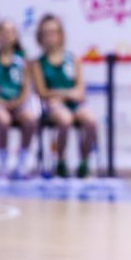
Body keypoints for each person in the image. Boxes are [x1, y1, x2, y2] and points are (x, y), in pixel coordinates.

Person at [30, 14, 97, 179]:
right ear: (40, 37)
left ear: (61, 34)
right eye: (46, 33)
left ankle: (84, 163)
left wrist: (63, 94)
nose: (50, 36)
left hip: (73, 103)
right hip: (52, 106)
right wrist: (66, 94)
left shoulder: (73, 59)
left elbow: (80, 90)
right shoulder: (38, 63)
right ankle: (60, 162)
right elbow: (42, 92)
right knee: (64, 119)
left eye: (54, 32)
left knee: (91, 120)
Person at [0, 19, 38, 179]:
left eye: (11, 31)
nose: (7, 35)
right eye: (3, 31)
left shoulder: (23, 58)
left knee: (31, 119)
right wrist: (0, 102)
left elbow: (26, 87)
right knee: (3, 120)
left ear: (16, 36)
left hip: (18, 104)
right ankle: (3, 164)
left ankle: (22, 163)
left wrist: (18, 102)